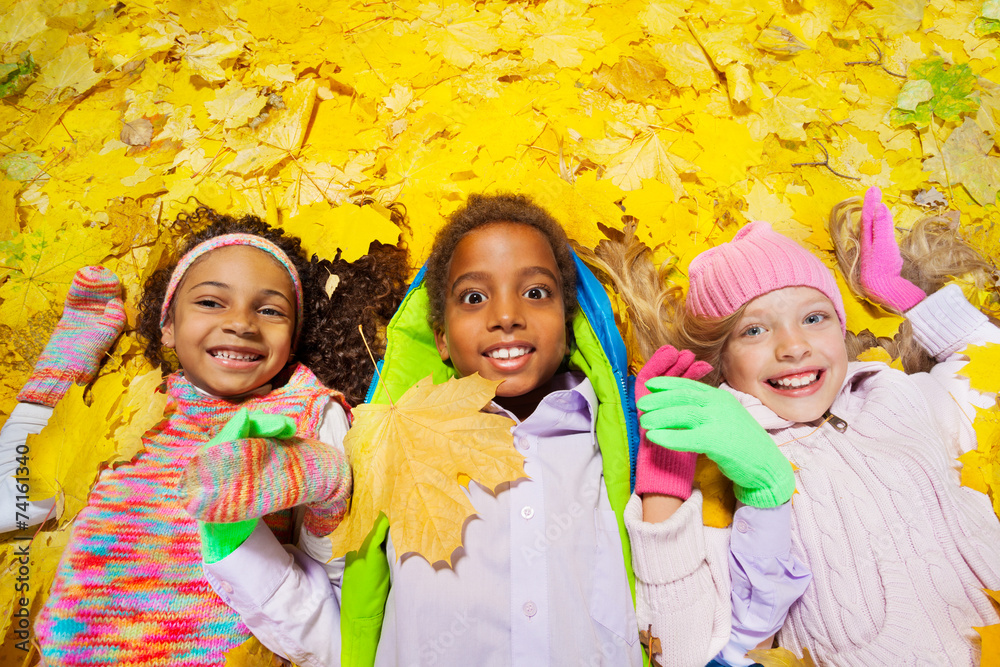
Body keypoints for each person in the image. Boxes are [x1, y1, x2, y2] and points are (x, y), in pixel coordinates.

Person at [0, 208, 407, 666]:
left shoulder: (308, 413)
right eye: (211, 302)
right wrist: (62, 377)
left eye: (270, 310)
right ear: (168, 327)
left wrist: (324, 485)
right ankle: (67, 360)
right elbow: (19, 497)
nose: (241, 323)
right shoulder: (134, 405)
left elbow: (337, 587)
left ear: (292, 340)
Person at [635, 187, 1000, 665]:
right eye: (754, 330)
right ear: (721, 359)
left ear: (841, 328)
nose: (793, 346)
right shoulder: (720, 472)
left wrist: (899, 293)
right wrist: (675, 469)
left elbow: (986, 364)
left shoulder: (900, 397)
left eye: (814, 317)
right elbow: (684, 652)